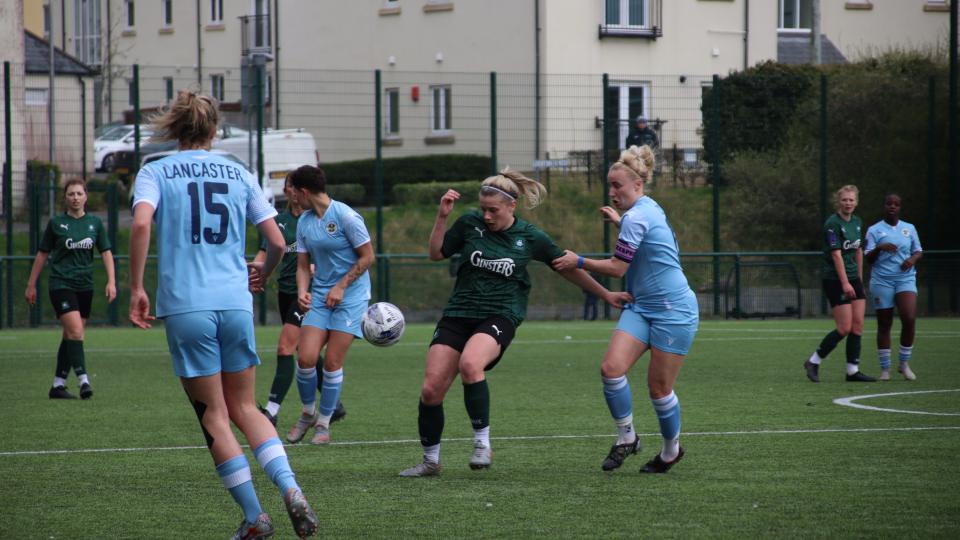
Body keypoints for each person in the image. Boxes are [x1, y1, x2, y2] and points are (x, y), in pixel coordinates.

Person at [128, 90, 318, 539]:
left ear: (176, 128)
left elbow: (140, 224)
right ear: (214, 131)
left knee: (213, 413)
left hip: (188, 304)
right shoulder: (238, 172)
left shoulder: (155, 170)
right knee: (245, 407)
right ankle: (291, 489)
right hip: (235, 303)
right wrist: (262, 276)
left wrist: (137, 287)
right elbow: (275, 243)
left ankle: (255, 517)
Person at [399, 168, 630, 477]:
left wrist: (606, 295)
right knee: (430, 391)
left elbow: (566, 267)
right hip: (458, 313)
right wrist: (442, 217)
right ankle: (430, 461)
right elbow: (436, 253)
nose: (487, 216)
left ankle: (482, 443)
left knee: (471, 364)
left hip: (500, 314)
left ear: (512, 205)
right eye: (483, 209)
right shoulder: (469, 224)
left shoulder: (530, 236)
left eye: (493, 210)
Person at [552, 145, 698, 474]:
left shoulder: (638, 215)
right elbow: (643, 239)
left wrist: (578, 260)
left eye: (618, 185)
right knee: (611, 368)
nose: (612, 191)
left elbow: (618, 269)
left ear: (638, 185)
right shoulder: (647, 209)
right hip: (642, 305)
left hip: (674, 311)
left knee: (659, 389)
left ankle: (671, 450)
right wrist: (620, 222)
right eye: (610, 185)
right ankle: (627, 438)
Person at [284, 165, 373, 446]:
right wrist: (302, 291)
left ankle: (323, 423)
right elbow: (301, 265)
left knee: (333, 361)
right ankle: (308, 412)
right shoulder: (304, 221)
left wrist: (341, 285)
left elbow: (368, 257)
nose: (291, 196)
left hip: (351, 298)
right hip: (321, 296)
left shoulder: (346, 216)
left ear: (304, 191)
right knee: (306, 357)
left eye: (293, 191)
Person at [253, 174, 347, 427]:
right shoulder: (279, 222)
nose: (291, 191)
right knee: (304, 351)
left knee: (285, 346)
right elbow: (265, 254)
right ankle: (333, 405)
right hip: (285, 293)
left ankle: (271, 411)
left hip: (308, 293)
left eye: (294, 187)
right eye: (289, 187)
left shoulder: (320, 219)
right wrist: (256, 274)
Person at [25, 179, 116, 400]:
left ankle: (58, 385)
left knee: (70, 335)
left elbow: (105, 253)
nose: (75, 197)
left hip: (85, 286)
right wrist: (31, 284)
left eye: (79, 193)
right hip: (61, 284)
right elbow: (42, 254)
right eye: (70, 194)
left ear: (86, 196)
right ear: (65, 197)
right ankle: (83, 380)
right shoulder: (56, 223)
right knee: (76, 332)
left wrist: (111, 281)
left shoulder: (94, 223)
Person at [804, 185, 876, 383]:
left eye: (851, 200)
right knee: (844, 327)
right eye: (845, 200)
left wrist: (859, 279)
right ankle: (813, 361)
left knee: (858, 326)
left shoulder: (857, 222)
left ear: (856, 202)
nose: (848, 203)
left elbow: (858, 251)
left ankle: (852, 371)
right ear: (839, 201)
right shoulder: (832, 224)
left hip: (853, 279)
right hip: (835, 279)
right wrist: (845, 283)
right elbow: (836, 256)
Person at [864, 193, 922, 381]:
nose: (892, 207)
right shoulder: (874, 230)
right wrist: (880, 248)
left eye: (896, 204)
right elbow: (868, 258)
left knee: (909, 317)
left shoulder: (909, 228)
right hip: (882, 280)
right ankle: (885, 369)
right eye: (889, 203)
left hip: (905, 279)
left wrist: (912, 259)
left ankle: (904, 364)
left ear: (900, 207)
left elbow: (918, 250)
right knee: (885, 323)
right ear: (884, 206)